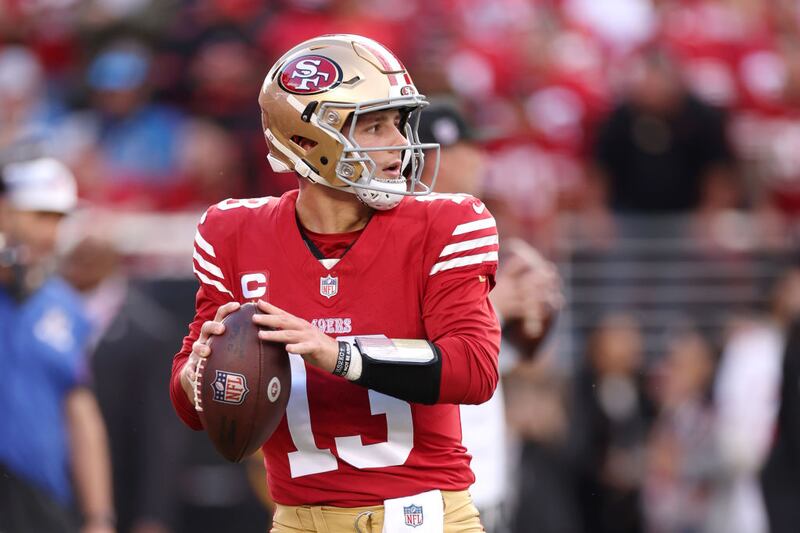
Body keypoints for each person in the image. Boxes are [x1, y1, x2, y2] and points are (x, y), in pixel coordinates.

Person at [170, 34, 501, 532]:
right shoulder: (232, 232)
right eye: (374, 126)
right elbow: (190, 406)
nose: (400, 143)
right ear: (307, 141)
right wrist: (200, 374)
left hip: (422, 518)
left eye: (399, 123)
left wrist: (338, 354)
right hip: (298, 521)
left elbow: (474, 370)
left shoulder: (447, 223)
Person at [417, 102, 563, 533]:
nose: (482, 159)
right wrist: (496, 309)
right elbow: (406, 349)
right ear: (437, 156)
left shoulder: (471, 234)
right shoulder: (407, 235)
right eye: (470, 148)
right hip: (431, 487)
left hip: (482, 475)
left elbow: (505, 363)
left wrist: (532, 318)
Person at [0, 157, 116, 533]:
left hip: (42, 498)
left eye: (58, 218)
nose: (49, 232)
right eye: (39, 215)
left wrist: (98, 516)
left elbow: (80, 412)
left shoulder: (66, 306)